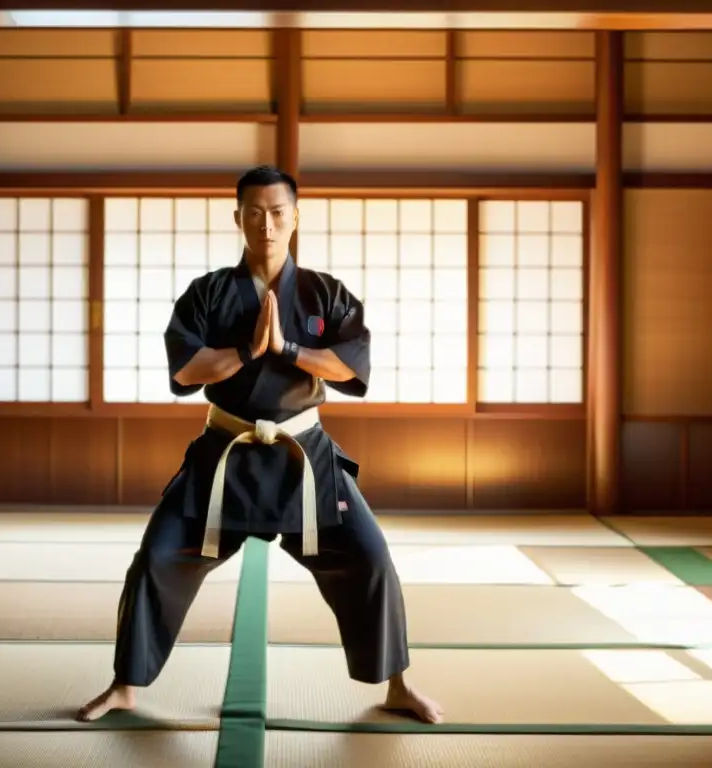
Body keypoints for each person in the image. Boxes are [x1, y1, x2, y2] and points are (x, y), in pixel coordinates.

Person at [77, 165, 442, 725]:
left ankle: (396, 684)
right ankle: (124, 685)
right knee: (155, 559)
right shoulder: (209, 294)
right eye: (254, 213)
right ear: (238, 219)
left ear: (294, 218)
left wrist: (288, 346)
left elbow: (350, 367)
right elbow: (187, 369)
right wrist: (248, 351)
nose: (266, 225)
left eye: (277, 213)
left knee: (371, 559)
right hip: (224, 452)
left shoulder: (326, 293)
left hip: (304, 457)